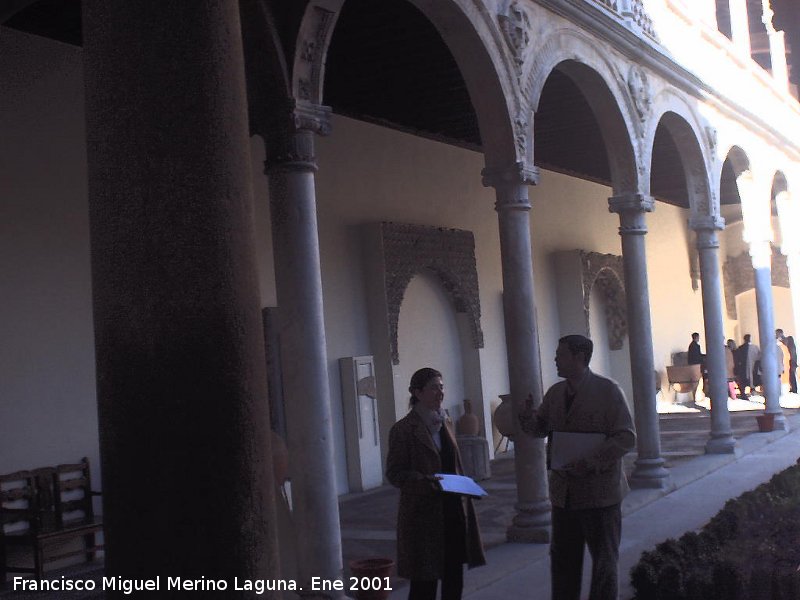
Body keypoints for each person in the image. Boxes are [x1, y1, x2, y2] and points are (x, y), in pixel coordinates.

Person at [518, 335, 636, 600]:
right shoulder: (555, 393)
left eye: (560, 355)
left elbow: (626, 437)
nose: (555, 360)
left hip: (600, 494)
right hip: (565, 495)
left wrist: (592, 462)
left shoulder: (608, 391)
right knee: (563, 562)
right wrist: (528, 418)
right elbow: (540, 429)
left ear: (579, 358)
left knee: (604, 563)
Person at [385, 367, 485, 600]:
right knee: (424, 585)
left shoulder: (445, 422)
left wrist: (466, 485)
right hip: (423, 516)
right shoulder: (403, 430)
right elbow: (395, 473)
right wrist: (428, 482)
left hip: (453, 511)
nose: (440, 392)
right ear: (417, 393)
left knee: (454, 577)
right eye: (433, 387)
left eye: (441, 386)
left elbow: (452, 463)